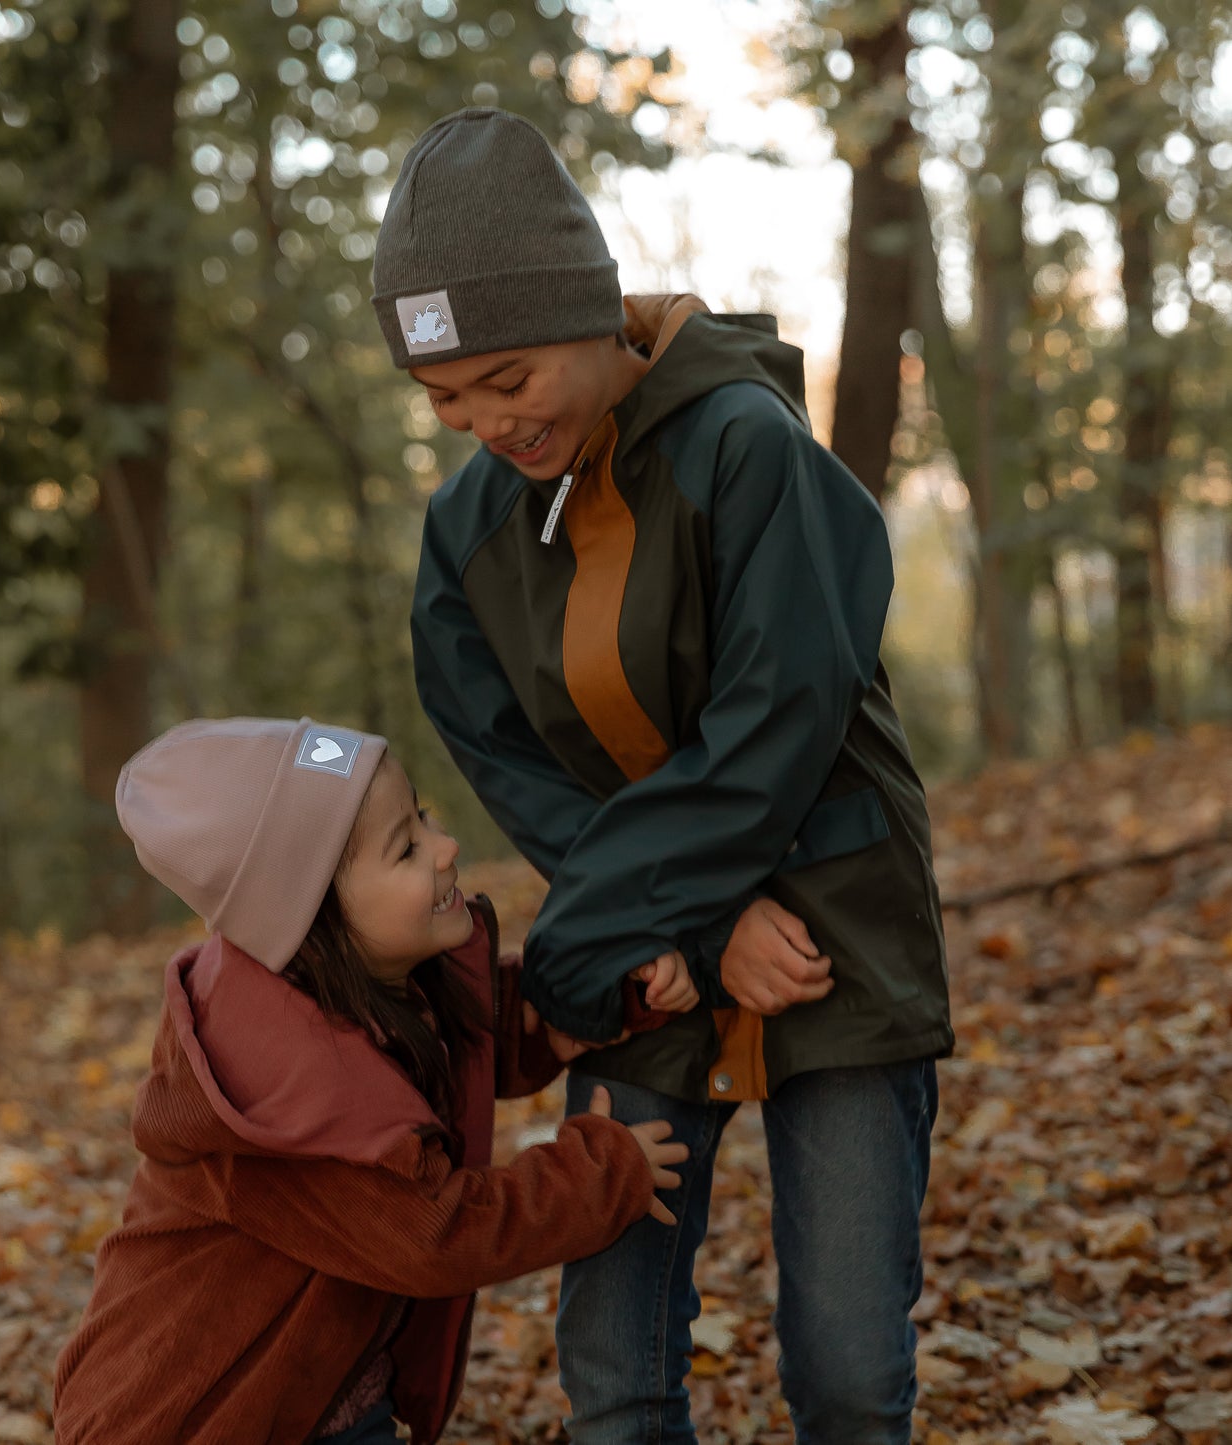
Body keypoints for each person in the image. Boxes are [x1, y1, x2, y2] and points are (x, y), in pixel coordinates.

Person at [369, 107, 955, 1445]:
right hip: (646, 954)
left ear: (592, 315)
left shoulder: (749, 449)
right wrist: (686, 922)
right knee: (617, 1373)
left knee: (853, 1376)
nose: (480, 421)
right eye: (445, 398)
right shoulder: (466, 527)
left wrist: (655, 916)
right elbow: (503, 758)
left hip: (833, 929)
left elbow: (779, 723)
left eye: (507, 377)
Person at [52, 715, 695, 1445]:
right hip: (202, 1418)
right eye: (407, 847)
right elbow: (439, 1232)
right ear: (314, 914)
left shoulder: (350, 986)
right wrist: (600, 1174)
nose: (446, 845)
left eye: (422, 815)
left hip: (320, 1394)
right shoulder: (293, 1096)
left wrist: (571, 1007)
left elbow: (448, 1044)